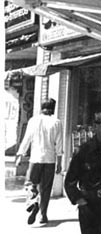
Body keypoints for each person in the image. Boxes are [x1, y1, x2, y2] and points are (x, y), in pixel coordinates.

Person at [15, 97, 63, 226]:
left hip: (35, 158)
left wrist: (20, 154)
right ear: (53, 108)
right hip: (50, 159)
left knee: (30, 183)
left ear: (41, 108)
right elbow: (59, 144)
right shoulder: (57, 122)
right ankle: (43, 215)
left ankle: (32, 201)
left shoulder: (33, 120)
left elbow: (27, 139)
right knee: (46, 188)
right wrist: (59, 162)